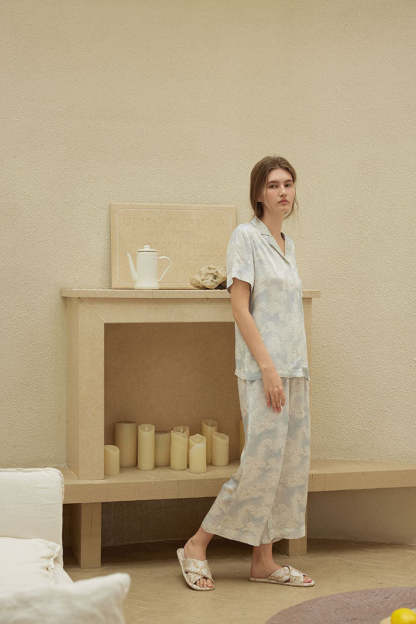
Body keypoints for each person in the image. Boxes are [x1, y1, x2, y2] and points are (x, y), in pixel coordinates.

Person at [176, 155, 315, 590]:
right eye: (273, 185)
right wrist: (268, 368)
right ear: (258, 194)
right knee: (258, 465)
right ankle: (196, 545)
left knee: (286, 467)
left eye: (288, 183)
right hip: (263, 371)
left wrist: (291, 369)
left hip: (295, 369)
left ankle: (264, 561)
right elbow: (240, 307)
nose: (282, 192)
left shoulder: (288, 244)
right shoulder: (246, 237)